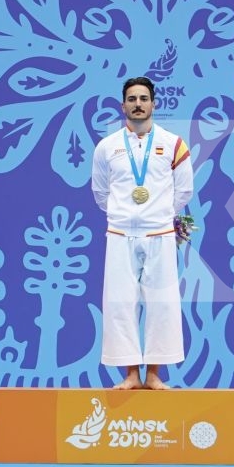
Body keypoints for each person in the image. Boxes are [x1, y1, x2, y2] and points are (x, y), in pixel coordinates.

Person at [91, 77, 195, 390]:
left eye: (144, 98)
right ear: (123, 105)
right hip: (120, 233)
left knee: (162, 303)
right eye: (132, 99)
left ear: (154, 104)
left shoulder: (174, 144)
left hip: (159, 233)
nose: (138, 104)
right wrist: (125, 215)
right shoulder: (107, 147)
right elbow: (100, 191)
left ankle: (153, 375)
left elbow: (184, 191)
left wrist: (157, 215)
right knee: (120, 303)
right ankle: (130, 376)